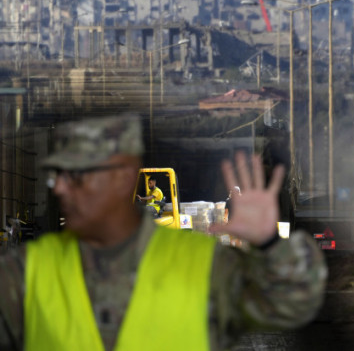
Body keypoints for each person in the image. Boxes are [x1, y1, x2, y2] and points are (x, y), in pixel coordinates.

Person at [0, 114, 327, 350]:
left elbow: (290, 304)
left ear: (123, 179)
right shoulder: (31, 270)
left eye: (81, 177)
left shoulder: (197, 263)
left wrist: (269, 242)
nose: (62, 191)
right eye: (59, 178)